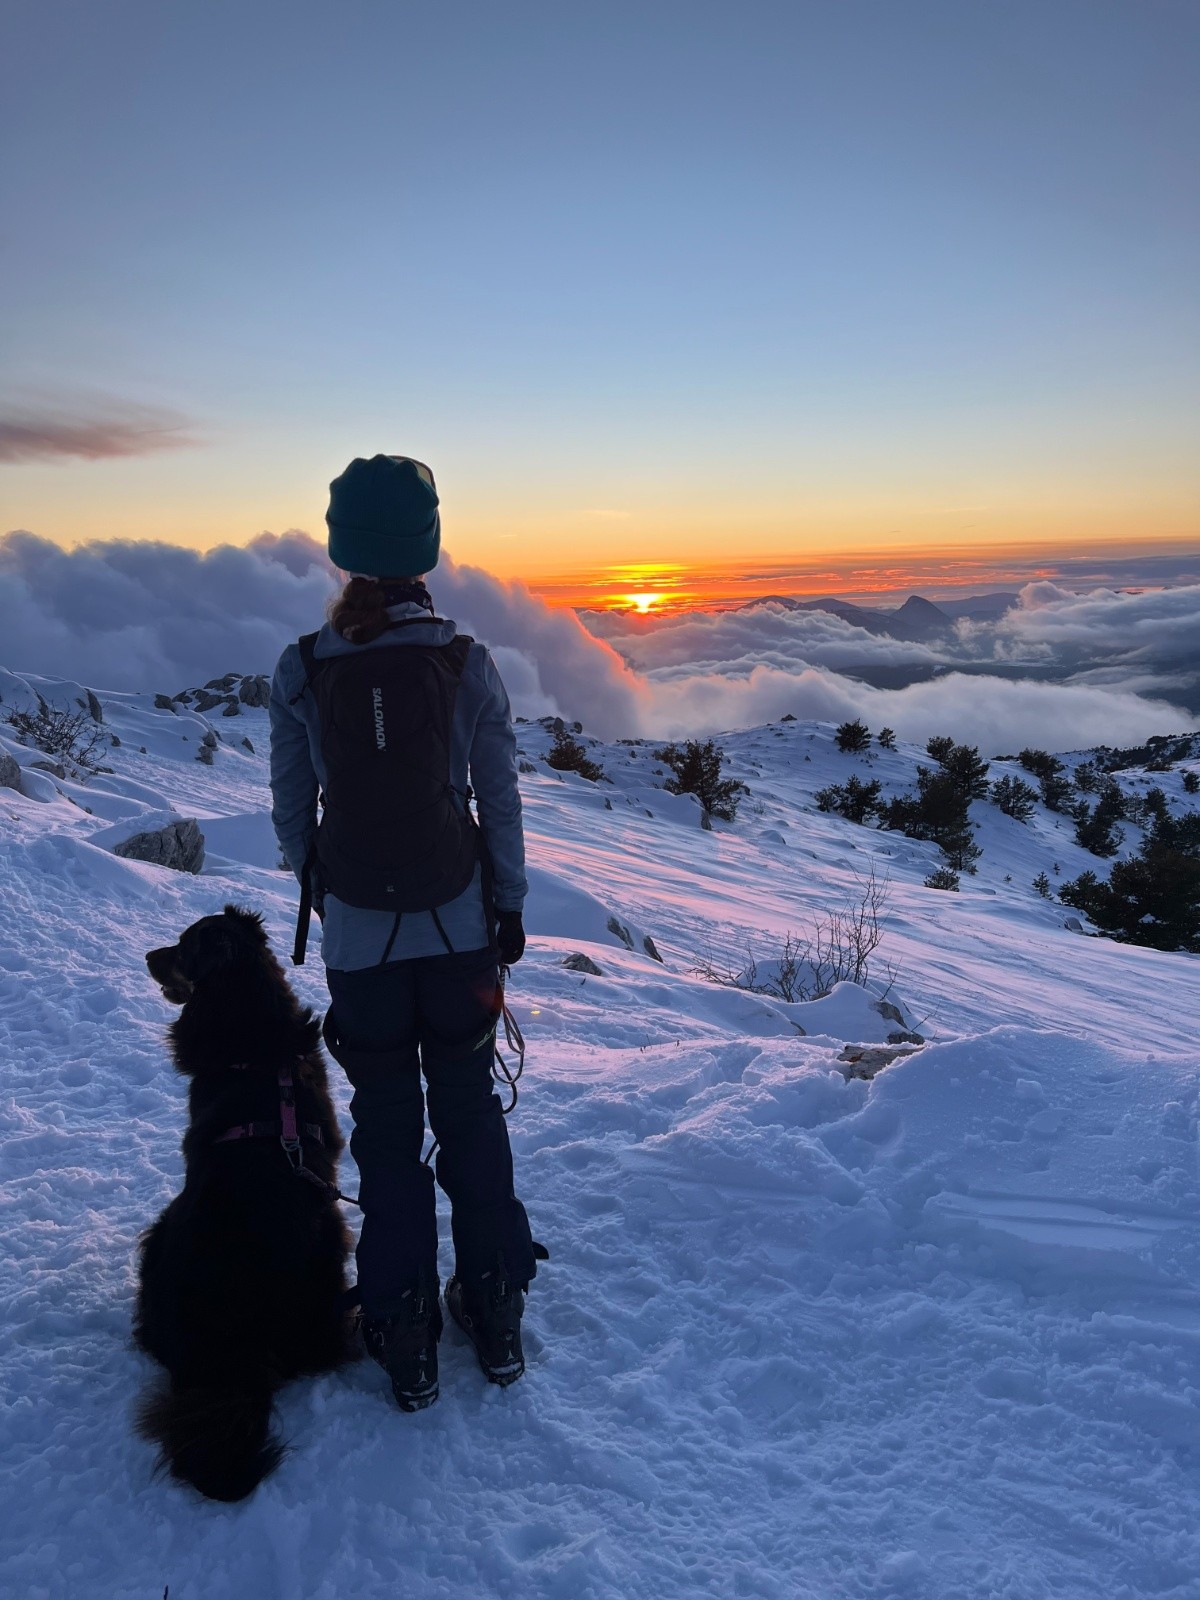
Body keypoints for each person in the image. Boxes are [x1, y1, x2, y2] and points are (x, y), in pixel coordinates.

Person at [268, 453, 537, 1412]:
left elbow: (292, 809)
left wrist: (326, 890)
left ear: (343, 549)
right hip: (459, 926)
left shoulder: (303, 668)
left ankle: (403, 1327)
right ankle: (495, 1306)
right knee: (468, 1107)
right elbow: (499, 796)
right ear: (427, 546)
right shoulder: (465, 662)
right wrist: (508, 904)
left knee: (386, 1128)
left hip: (359, 940)